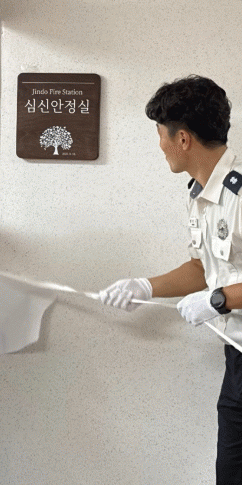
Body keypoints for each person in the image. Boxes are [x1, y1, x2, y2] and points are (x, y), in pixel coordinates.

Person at [99, 74, 242, 484]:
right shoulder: (200, 193)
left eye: (161, 135)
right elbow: (201, 268)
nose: (160, 146)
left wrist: (218, 300)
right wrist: (145, 286)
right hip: (236, 356)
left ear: (183, 139)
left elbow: (216, 289)